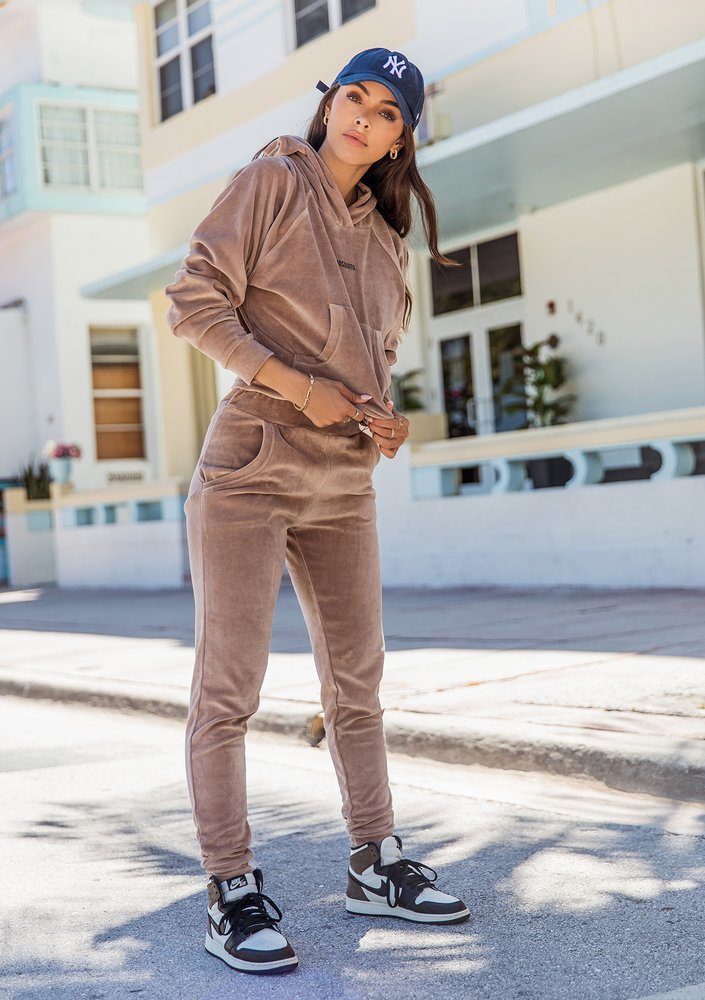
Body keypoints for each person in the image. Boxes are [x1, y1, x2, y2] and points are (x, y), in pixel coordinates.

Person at [164, 46, 469, 977]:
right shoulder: (267, 181)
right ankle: (231, 887)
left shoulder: (384, 239)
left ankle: (374, 861)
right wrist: (299, 388)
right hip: (251, 466)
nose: (362, 119)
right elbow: (192, 303)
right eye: (353, 97)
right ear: (329, 101)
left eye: (385, 113)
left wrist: (382, 417)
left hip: (343, 482)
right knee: (229, 692)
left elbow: (363, 365)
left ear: (398, 141)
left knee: (358, 687)